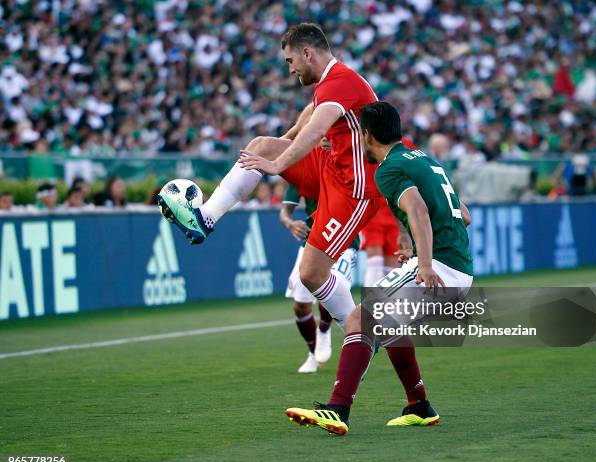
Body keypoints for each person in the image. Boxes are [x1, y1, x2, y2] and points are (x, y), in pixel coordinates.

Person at [159, 23, 382, 327]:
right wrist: (280, 148)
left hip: (353, 189)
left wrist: (278, 166)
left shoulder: (339, 82)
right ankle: (204, 219)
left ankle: (356, 328)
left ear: (307, 53)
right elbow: (308, 127)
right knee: (261, 146)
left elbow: (315, 130)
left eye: (290, 61)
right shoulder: (330, 83)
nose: (290, 69)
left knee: (311, 274)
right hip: (330, 169)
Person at [285, 101, 473, 435]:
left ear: (367, 136)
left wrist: (426, 262)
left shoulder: (388, 169)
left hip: (440, 268)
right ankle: (420, 406)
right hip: (456, 266)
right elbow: (464, 216)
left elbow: (417, 211)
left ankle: (338, 409)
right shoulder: (425, 160)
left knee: (360, 317)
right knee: (388, 327)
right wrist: (418, 252)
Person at [281, 182, 358, 373]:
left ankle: (324, 330)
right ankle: (312, 353)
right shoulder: (304, 167)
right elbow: (285, 213)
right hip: (312, 240)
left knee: (328, 288)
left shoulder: (348, 165)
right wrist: (290, 223)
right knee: (300, 306)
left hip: (344, 238)